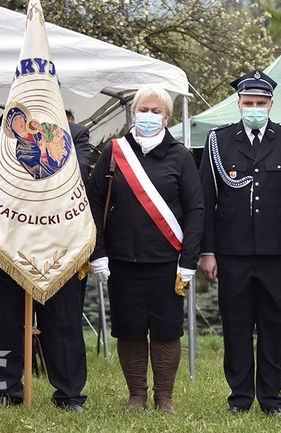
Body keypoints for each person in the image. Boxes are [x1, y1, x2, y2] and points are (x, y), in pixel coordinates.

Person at [199, 70, 281, 416]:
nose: (254, 108)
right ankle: (239, 397)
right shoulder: (218, 140)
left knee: (272, 326)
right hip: (231, 252)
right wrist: (207, 250)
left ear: (271, 105)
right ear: (238, 104)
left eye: (260, 103)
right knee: (235, 326)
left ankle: (271, 399)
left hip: (276, 252)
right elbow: (206, 198)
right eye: (248, 103)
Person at [88, 85, 204, 414]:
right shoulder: (114, 152)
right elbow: (94, 203)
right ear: (133, 112)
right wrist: (98, 251)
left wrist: (189, 260)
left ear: (167, 117)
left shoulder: (180, 155)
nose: (148, 116)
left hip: (167, 262)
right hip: (122, 261)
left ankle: (163, 397)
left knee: (167, 331)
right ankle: (136, 395)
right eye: (143, 109)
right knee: (129, 329)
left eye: (155, 111)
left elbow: (196, 209)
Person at [0, 110, 92, 411]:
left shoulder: (75, 134)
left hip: (59, 245)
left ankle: (69, 395)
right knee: (6, 322)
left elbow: (78, 180)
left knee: (63, 322)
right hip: (10, 243)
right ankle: (5, 392)